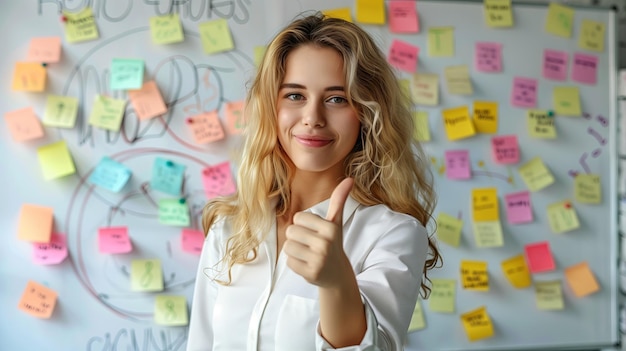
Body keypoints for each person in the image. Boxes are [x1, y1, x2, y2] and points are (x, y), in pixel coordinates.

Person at [187, 12, 441, 351]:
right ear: (271, 107)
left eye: (337, 98)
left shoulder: (394, 233)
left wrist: (337, 283)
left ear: (366, 111)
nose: (313, 118)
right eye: (295, 95)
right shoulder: (230, 227)